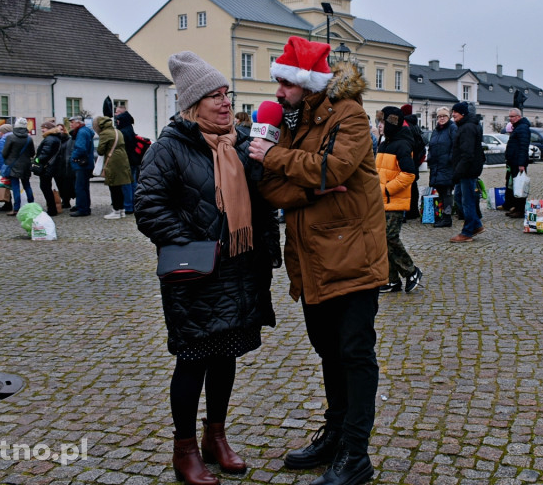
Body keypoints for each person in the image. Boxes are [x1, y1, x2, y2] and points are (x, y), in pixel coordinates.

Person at [136, 51, 279, 485]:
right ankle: (185, 450)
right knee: (193, 360)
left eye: (226, 94)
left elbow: (263, 199)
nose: (223, 102)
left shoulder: (239, 143)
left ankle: (216, 437)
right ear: (192, 104)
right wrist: (198, 243)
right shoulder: (169, 149)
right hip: (198, 275)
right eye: (213, 96)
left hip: (240, 271)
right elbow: (148, 207)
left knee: (225, 357)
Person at [249, 36, 385, 485]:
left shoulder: (350, 114)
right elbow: (270, 188)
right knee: (328, 352)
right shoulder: (290, 123)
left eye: (285, 83)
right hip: (310, 259)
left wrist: (278, 159)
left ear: (308, 85)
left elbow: (334, 169)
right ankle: (336, 435)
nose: (278, 92)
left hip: (352, 256)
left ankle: (356, 452)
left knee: (354, 352)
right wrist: (308, 186)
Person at [375, 106, 422, 294]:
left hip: (393, 201)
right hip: (381, 201)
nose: (379, 126)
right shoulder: (384, 143)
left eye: (382, 122)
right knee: (382, 240)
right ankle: (391, 280)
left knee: (389, 237)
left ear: (391, 123)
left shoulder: (402, 145)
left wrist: (387, 189)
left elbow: (410, 174)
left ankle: (411, 271)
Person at [448, 101, 486, 243]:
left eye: (455, 112)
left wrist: (457, 173)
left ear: (463, 113)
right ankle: (476, 225)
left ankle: (468, 232)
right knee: (460, 198)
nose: (453, 115)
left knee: (467, 200)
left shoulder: (467, 128)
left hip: (468, 170)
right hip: (466, 169)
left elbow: (467, 154)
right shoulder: (465, 126)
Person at [94, 116, 133, 220]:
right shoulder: (117, 131)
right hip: (122, 160)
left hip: (113, 162)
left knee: (113, 187)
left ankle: (116, 210)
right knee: (120, 187)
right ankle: (122, 210)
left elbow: (100, 150)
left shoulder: (105, 134)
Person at [427, 106, 457, 228]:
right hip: (436, 166)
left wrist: (450, 160)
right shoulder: (436, 130)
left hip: (447, 166)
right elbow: (432, 146)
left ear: (448, 117)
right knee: (440, 192)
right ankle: (442, 215)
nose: (441, 118)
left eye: (444, 116)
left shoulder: (452, 128)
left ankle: (447, 217)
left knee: (447, 192)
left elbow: (455, 146)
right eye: (439, 116)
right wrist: (429, 158)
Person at [1, 118, 36, 216]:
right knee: (27, 185)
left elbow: (4, 153)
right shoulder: (29, 138)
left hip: (13, 164)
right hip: (25, 164)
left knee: (15, 186)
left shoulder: (11, 137)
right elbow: (32, 153)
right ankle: (32, 206)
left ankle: (16, 208)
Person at [501, 108, 531, 218]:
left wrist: (522, 164)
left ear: (518, 116)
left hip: (518, 163)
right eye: (509, 117)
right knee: (515, 185)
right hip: (514, 162)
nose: (510, 119)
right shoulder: (518, 127)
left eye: (512, 116)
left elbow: (523, 147)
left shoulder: (522, 128)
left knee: (520, 186)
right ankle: (516, 207)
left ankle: (520, 209)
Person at [34, 120, 68, 216]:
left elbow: (45, 153)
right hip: (52, 166)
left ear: (49, 129)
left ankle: (52, 209)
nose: (42, 130)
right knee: (46, 186)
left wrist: (37, 160)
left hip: (47, 166)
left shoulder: (49, 139)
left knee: (45, 187)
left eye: (43, 128)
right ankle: (52, 208)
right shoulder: (55, 138)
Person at [114, 110, 140, 215]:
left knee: (127, 184)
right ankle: (135, 204)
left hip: (127, 161)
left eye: (118, 120)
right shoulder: (130, 129)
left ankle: (128, 205)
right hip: (133, 160)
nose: (117, 122)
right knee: (133, 183)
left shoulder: (123, 132)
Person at [69, 115, 95, 217]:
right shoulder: (85, 131)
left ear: (78, 123)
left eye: (72, 122)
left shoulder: (81, 132)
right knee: (84, 187)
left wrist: (73, 157)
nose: (70, 124)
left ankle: (82, 208)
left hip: (81, 164)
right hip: (86, 164)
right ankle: (84, 207)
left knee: (80, 187)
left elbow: (81, 148)